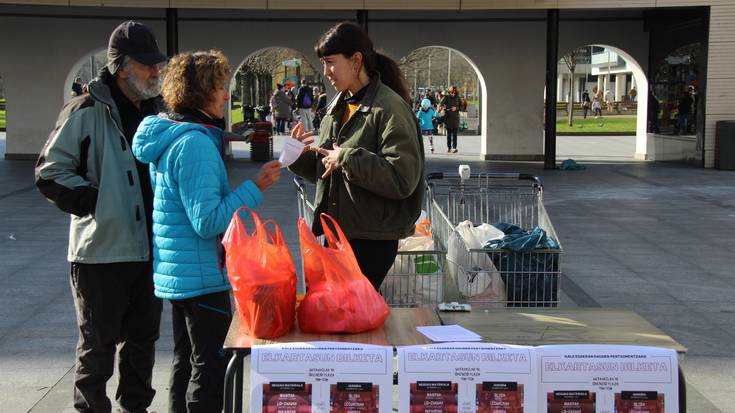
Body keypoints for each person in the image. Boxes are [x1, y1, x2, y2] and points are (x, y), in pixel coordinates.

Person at [132, 50, 281, 412]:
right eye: (220, 87)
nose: (227, 95)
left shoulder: (173, 133)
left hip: (179, 272)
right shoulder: (195, 143)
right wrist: (255, 187)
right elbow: (207, 221)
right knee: (210, 369)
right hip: (200, 276)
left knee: (187, 362)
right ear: (200, 92)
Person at [35, 21, 166, 412]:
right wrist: (98, 203)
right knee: (97, 349)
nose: (155, 71)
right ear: (122, 66)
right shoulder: (85, 109)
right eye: (147, 65)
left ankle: (135, 408)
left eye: (156, 64)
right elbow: (49, 172)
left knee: (143, 344)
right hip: (100, 254)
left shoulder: (158, 112)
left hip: (148, 251)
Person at [289, 21, 425, 291]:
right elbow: (327, 168)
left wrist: (346, 158)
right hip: (338, 233)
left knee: (351, 320)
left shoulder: (389, 108)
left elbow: (402, 178)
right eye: (323, 63)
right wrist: (296, 156)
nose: (325, 72)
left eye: (330, 62)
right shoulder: (338, 105)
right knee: (340, 319)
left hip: (371, 240)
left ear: (356, 60)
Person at [440, 85, 461, 153]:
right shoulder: (446, 97)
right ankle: (449, 147)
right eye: (452, 92)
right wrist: (443, 109)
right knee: (449, 134)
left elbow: (462, 107)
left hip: (455, 118)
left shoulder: (458, 98)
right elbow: (440, 104)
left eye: (454, 92)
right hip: (448, 117)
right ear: (450, 92)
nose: (453, 94)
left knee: (455, 134)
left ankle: (454, 148)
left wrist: (456, 108)